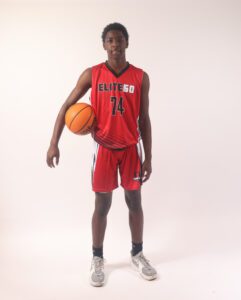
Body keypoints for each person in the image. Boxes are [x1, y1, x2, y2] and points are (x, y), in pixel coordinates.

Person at [46, 22, 157, 287]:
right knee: (102, 206)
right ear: (104, 45)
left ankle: (137, 253)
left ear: (127, 43)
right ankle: (97, 258)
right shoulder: (91, 74)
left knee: (134, 202)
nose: (115, 44)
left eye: (119, 40)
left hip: (131, 148)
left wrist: (149, 156)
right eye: (110, 40)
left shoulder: (141, 77)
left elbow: (145, 119)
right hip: (104, 148)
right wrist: (53, 143)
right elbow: (66, 106)